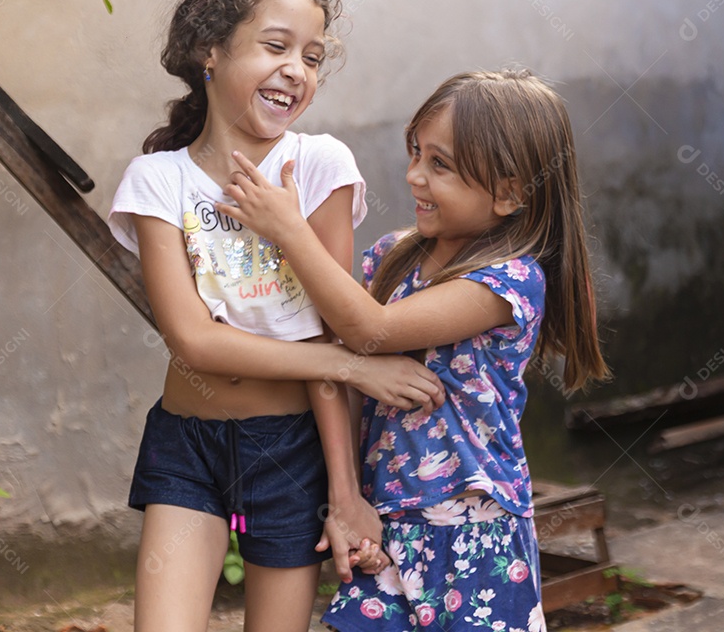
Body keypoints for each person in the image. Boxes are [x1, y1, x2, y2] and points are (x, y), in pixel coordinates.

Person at [107, 0, 444, 632]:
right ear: (211, 49)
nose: (297, 68)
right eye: (276, 45)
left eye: (313, 56)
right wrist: (351, 366)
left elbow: (330, 326)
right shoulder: (157, 180)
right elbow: (194, 341)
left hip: (290, 449)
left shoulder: (320, 166)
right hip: (189, 445)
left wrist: (345, 494)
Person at [218, 68, 612, 631]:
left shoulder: (510, 280)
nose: (413, 177)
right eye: (416, 154)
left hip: (474, 532)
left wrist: (290, 231)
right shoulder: (392, 255)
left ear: (510, 192)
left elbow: (367, 331)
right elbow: (345, 366)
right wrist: (347, 498)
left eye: (440, 164)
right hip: (387, 523)